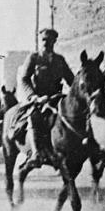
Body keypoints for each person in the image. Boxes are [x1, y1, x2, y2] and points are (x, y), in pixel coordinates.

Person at [19, 28, 74, 167]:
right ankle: (36, 153)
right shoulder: (34, 58)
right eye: (43, 40)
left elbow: (71, 80)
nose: (45, 43)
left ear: (54, 42)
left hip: (56, 98)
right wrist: (33, 97)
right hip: (38, 100)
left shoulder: (59, 60)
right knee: (34, 116)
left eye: (49, 40)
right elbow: (24, 79)